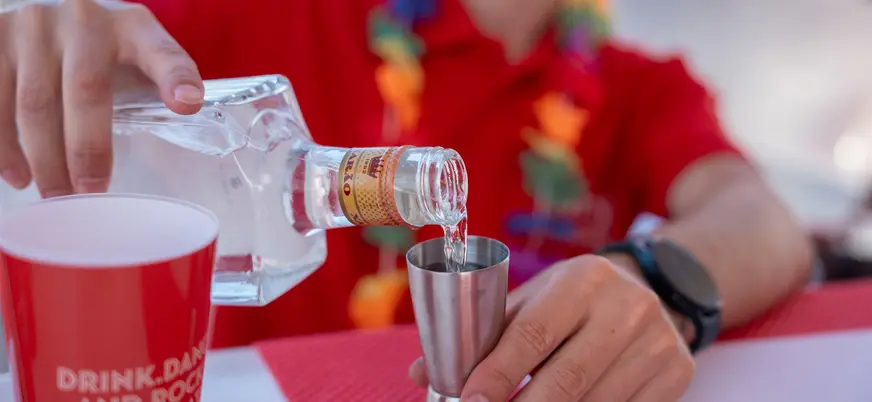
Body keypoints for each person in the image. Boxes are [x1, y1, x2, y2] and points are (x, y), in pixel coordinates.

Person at [0, 0, 813, 400]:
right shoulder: (270, 16)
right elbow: (112, 43)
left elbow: (765, 219)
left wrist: (654, 279)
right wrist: (52, 39)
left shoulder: (633, 86)